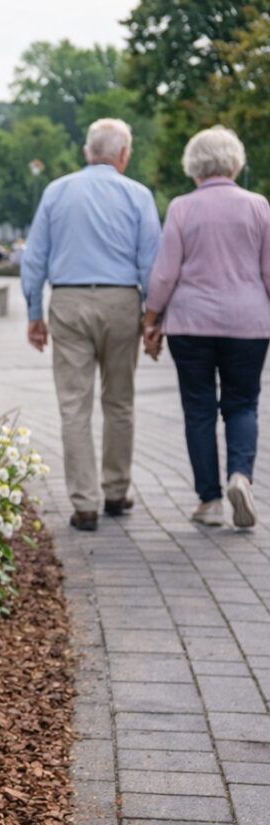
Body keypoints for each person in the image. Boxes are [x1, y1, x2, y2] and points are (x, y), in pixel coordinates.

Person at [22, 118, 162, 531]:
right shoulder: (138, 195)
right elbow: (151, 262)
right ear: (124, 154)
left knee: (73, 405)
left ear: (87, 152)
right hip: (122, 300)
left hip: (68, 300)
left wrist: (34, 312)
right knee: (119, 401)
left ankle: (84, 503)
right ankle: (117, 491)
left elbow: (34, 258)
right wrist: (153, 317)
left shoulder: (56, 191)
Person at [141, 126, 270, 529]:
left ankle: (210, 501)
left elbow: (165, 273)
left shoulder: (182, 207)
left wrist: (151, 317)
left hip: (191, 324)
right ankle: (240, 476)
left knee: (198, 408)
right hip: (248, 322)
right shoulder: (259, 206)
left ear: (194, 166)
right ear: (235, 162)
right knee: (242, 403)